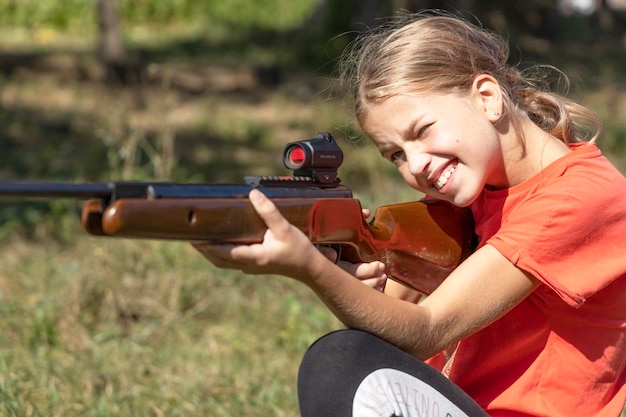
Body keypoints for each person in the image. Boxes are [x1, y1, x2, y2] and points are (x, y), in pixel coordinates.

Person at [193, 11, 626, 417]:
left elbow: (426, 330)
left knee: (338, 362)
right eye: (396, 153)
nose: (415, 164)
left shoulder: (577, 197)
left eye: (422, 132)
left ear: (488, 98)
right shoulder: (466, 201)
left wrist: (308, 269)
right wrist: (349, 268)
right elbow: (388, 333)